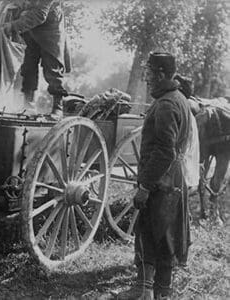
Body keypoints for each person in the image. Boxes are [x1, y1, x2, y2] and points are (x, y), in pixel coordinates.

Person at [117, 52, 192, 300]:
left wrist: (146, 186)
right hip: (173, 178)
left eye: (149, 73)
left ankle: (143, 291)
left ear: (161, 74)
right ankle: (161, 292)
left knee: (150, 230)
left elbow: (163, 151)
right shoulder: (178, 98)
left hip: (162, 180)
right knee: (166, 234)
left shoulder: (166, 105)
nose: (146, 78)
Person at [3, 0, 71, 119]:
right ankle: (28, 106)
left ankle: (57, 108)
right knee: (28, 68)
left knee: (53, 69)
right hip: (30, 31)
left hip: (50, 32)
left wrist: (14, 25)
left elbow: (40, 14)